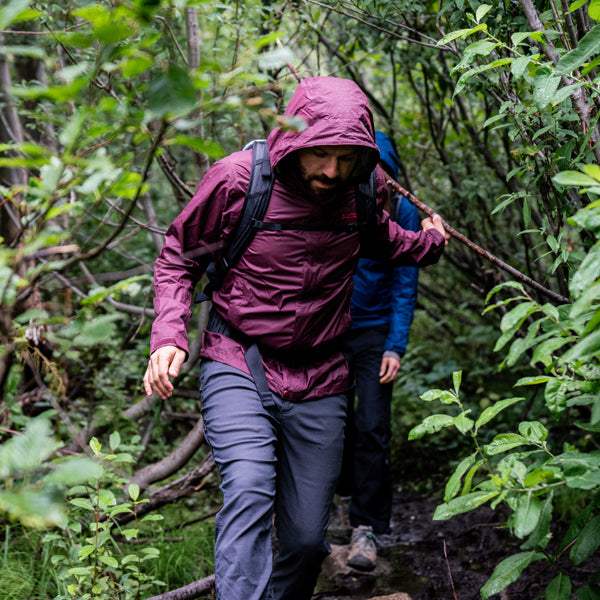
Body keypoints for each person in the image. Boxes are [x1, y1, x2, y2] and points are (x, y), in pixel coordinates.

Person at [143, 76, 448, 600]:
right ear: (296, 141)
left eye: (347, 159)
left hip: (324, 375)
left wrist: (430, 242)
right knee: (248, 486)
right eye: (322, 156)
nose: (332, 171)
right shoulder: (239, 180)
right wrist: (168, 335)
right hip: (240, 358)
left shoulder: (362, 190)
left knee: (307, 540)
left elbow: (385, 241)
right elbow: (177, 257)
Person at [342, 130, 420, 572]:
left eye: (384, 174)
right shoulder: (339, 202)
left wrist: (395, 345)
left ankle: (366, 527)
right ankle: (314, 520)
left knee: (372, 426)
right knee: (333, 428)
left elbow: (405, 284)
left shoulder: (403, 210)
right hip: (328, 333)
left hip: (374, 335)